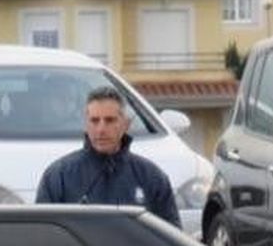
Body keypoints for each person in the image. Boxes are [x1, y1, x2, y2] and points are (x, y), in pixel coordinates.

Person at [35, 85, 180, 228]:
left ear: (125, 124)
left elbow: (172, 241)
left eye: (110, 120)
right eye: (95, 120)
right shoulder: (58, 176)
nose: (101, 129)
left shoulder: (151, 178)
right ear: (86, 124)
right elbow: (43, 237)